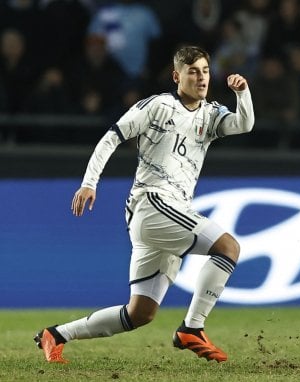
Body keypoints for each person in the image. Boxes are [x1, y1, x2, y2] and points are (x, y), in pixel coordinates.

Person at [34, 46, 255, 364]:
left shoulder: (210, 114)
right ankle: (192, 328)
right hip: (152, 203)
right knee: (228, 247)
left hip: (166, 214)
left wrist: (243, 93)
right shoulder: (158, 106)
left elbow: (244, 124)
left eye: (205, 71)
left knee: (140, 313)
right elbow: (112, 136)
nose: (201, 77)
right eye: (193, 71)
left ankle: (55, 335)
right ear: (177, 76)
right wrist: (89, 182)